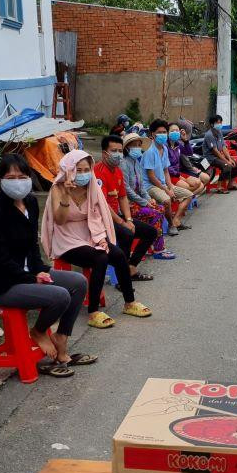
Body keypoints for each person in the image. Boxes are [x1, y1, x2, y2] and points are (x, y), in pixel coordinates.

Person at [0, 153, 96, 379]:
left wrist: (40, 269)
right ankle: (39, 331)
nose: (17, 181)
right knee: (60, 295)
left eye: (21, 176)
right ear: (1, 179)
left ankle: (62, 336)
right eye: (10, 177)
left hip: (28, 274)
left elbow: (32, 244)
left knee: (78, 283)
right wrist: (33, 279)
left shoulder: (31, 202)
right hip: (3, 284)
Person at [41, 150, 152, 328]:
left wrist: (102, 237)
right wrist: (66, 197)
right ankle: (93, 312)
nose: (84, 174)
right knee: (100, 258)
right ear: (69, 170)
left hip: (90, 235)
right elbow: (60, 220)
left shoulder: (92, 186)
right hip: (67, 239)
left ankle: (129, 302)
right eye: (79, 170)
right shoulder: (58, 188)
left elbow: (99, 215)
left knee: (118, 255)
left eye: (87, 170)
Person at [94, 135, 157, 281]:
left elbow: (122, 197)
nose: (118, 154)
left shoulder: (117, 171)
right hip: (102, 219)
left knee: (150, 232)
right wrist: (123, 223)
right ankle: (121, 278)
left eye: (120, 150)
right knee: (127, 234)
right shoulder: (98, 172)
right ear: (105, 153)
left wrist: (128, 219)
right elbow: (103, 204)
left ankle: (131, 268)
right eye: (114, 150)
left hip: (117, 217)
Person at [120, 133, 174, 260]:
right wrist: (144, 202)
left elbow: (142, 187)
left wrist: (148, 199)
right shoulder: (123, 164)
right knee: (156, 213)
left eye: (139, 145)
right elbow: (127, 189)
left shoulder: (136, 163)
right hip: (127, 205)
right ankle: (157, 248)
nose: (137, 148)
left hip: (138, 201)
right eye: (134, 145)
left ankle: (155, 245)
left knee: (159, 208)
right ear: (127, 148)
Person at [141, 119, 192, 236]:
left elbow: (166, 171)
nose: (163, 135)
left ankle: (176, 220)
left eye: (165, 132)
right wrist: (167, 190)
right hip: (150, 186)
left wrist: (170, 186)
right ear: (153, 134)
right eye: (160, 132)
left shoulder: (164, 148)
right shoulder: (150, 151)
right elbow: (151, 177)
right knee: (166, 200)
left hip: (163, 184)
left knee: (188, 195)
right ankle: (171, 225)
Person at [203, 114, 237, 193]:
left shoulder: (219, 132)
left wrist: (230, 159)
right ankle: (219, 187)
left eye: (220, 122)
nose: (219, 124)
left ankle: (231, 184)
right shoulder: (209, 135)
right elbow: (215, 151)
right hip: (210, 158)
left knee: (236, 164)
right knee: (226, 166)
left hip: (218, 156)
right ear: (212, 124)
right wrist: (227, 161)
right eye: (218, 123)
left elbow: (224, 147)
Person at [167, 123, 206, 196]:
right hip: (170, 175)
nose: (175, 132)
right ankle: (186, 197)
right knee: (189, 187)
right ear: (167, 133)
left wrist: (185, 140)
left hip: (178, 173)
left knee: (200, 185)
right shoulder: (165, 147)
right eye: (172, 131)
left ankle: (186, 198)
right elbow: (166, 167)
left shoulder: (177, 144)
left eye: (177, 130)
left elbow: (189, 152)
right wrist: (179, 176)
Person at [177, 125, 212, 191]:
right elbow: (185, 160)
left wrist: (186, 140)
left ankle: (190, 196)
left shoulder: (183, 142)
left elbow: (190, 153)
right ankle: (189, 196)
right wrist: (192, 169)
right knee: (203, 180)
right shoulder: (175, 144)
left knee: (205, 172)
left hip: (193, 163)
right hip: (184, 169)